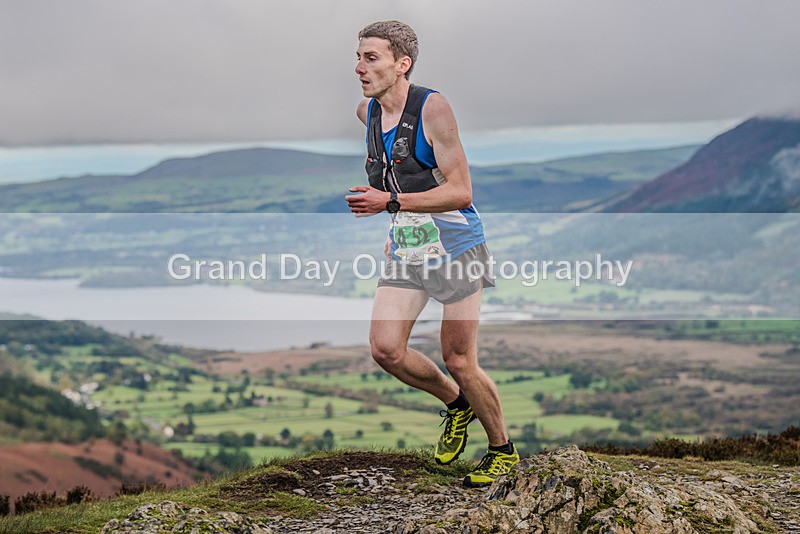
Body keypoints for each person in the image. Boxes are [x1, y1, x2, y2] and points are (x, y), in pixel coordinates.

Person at [345, 20, 519, 487]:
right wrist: (394, 215)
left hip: (458, 248)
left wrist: (390, 202)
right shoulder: (367, 113)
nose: (359, 67)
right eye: (358, 57)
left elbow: (461, 191)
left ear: (402, 64)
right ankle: (457, 405)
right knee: (386, 349)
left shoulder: (432, 109)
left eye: (371, 58)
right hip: (408, 249)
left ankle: (502, 450)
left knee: (459, 359)